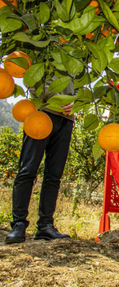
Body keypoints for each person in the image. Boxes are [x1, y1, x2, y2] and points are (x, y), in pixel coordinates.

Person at [5, 81, 75, 244]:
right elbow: (32, 80)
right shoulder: (45, 54)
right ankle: (19, 225)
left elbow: (79, 84)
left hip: (66, 119)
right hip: (41, 114)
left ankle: (45, 225)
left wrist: (75, 102)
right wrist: (57, 101)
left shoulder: (78, 57)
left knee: (54, 175)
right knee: (27, 170)